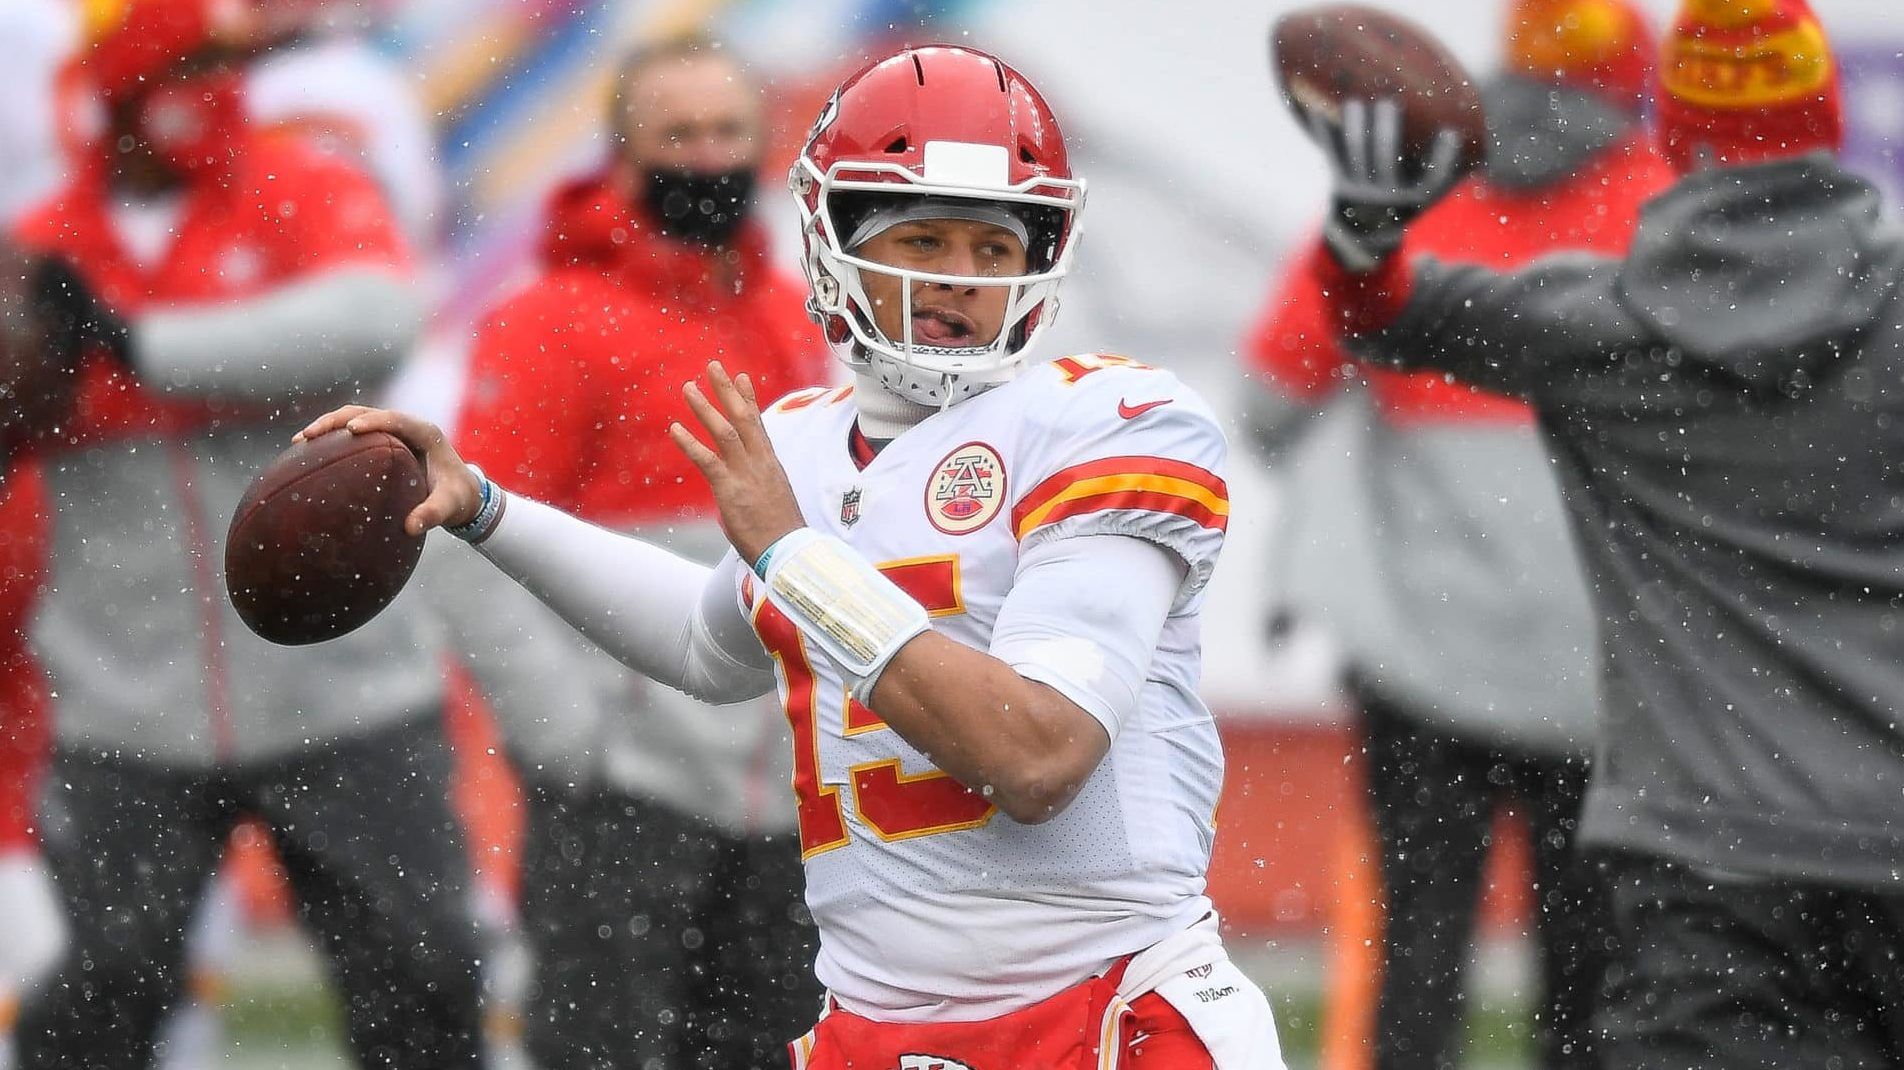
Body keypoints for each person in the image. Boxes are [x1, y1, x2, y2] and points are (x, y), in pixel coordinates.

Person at [302, 43, 1285, 1070]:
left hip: (1107, 1011)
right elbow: (703, 638)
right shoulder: (808, 442)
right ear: (835, 239)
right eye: (925, 239)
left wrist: (790, 552)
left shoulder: (1107, 423)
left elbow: (1034, 754)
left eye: (994, 249)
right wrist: (490, 510)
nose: (960, 279)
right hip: (878, 1029)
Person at [1295, 0, 1904, 1065]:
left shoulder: (1600, 327)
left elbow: (1376, 309)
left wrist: (1361, 223)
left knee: (1428, 976)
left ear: (1667, 128)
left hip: (1700, 865)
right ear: (1827, 120)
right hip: (1887, 840)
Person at [4, 2, 484, 1066]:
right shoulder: (41, 252)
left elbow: (374, 317)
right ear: (121, 84)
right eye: (187, 64)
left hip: (346, 685)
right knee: (96, 1002)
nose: (211, 90)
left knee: (425, 983)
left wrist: (135, 346)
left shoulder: (301, 184)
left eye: (226, 64)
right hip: (126, 700)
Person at [1245, 3, 1671, 1066]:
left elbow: (1265, 404)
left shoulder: (1405, 197)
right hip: (1606, 670)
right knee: (1588, 984)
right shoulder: (1668, 219)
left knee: (1413, 965)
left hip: (1415, 655)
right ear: (1632, 79)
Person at [449, 35, 829, 1070]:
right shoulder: (548, 325)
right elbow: (466, 542)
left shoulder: (793, 315)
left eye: (727, 133)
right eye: (679, 134)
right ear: (622, 151)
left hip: (783, 799)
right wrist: (568, 742)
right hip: (625, 794)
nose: (707, 157)